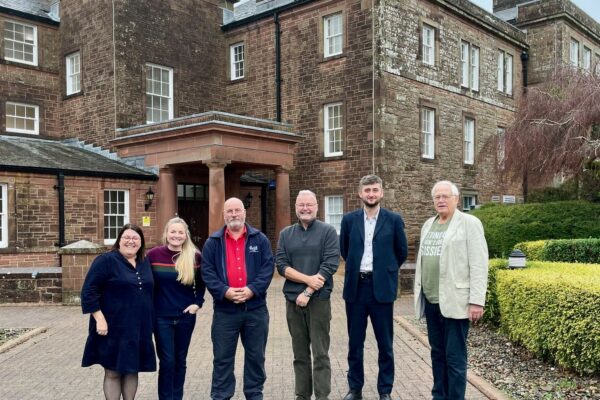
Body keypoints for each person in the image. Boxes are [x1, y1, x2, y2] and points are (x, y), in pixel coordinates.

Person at [414, 180, 489, 400]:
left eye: (445, 196)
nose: (441, 200)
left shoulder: (469, 223)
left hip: (456, 302)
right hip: (431, 301)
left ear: (456, 199)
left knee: (454, 357)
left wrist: (477, 300)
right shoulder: (428, 224)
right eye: (437, 197)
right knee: (437, 354)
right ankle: (439, 396)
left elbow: (479, 263)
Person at [339, 174, 408, 400]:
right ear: (360, 193)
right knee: (355, 343)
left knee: (385, 344)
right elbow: (345, 250)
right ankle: (355, 388)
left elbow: (401, 252)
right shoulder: (349, 220)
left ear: (381, 193)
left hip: (382, 290)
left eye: (375, 190)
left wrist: (384, 271)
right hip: (356, 289)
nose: (371, 194)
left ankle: (385, 390)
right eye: (367, 190)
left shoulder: (394, 219)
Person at [201, 197, 274, 400]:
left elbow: (267, 268)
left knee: (256, 358)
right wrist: (224, 291)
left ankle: (254, 395)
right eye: (230, 211)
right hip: (226, 311)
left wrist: (252, 289)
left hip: (255, 310)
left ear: (244, 212)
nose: (234, 214)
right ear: (224, 215)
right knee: (223, 359)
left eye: (237, 210)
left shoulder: (260, 239)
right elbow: (207, 272)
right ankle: (221, 396)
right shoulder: (213, 242)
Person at [276, 190, 340, 400]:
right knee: (300, 354)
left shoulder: (328, 232)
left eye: (309, 204)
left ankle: (322, 396)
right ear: (296, 207)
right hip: (292, 302)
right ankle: (302, 395)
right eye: (301, 205)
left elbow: (330, 264)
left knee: (320, 353)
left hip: (319, 302)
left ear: (316, 207)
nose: (305, 208)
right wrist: (307, 281)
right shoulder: (286, 234)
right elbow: (282, 265)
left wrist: (309, 291)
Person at [81, 223, 156, 400]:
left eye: (135, 238)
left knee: (132, 370)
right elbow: (89, 291)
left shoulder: (145, 262)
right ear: (119, 240)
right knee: (113, 371)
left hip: (139, 327)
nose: (131, 241)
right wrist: (99, 318)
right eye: (126, 237)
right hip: (112, 326)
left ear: (141, 242)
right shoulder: (106, 261)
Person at [147, 217, 205, 400]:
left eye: (180, 232)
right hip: (161, 317)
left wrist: (197, 303)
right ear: (166, 234)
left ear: (185, 235)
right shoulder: (153, 255)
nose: (176, 235)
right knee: (167, 361)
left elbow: (202, 284)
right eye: (173, 231)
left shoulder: (195, 256)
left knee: (180, 361)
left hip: (185, 317)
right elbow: (145, 283)